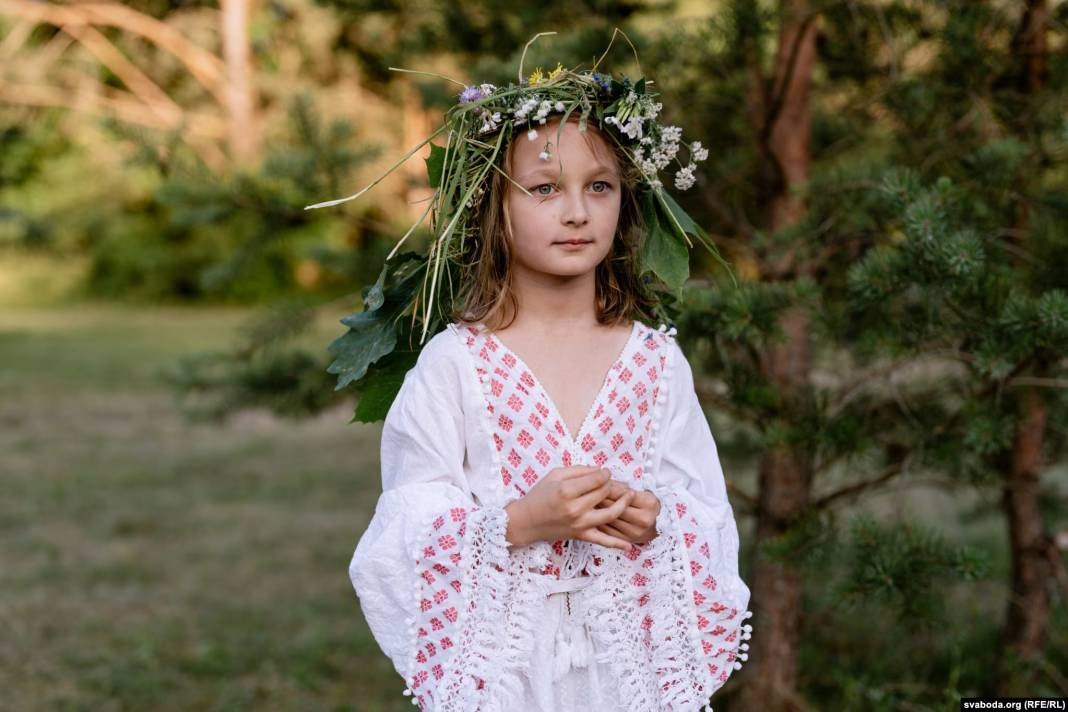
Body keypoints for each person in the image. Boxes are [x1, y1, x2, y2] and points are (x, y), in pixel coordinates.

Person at [337, 64, 752, 712]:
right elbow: (403, 532)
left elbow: (703, 505)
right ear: (491, 206)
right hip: (509, 674)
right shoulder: (457, 365)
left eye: (600, 186)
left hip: (624, 675)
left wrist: (658, 519)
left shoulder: (654, 362)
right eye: (544, 188)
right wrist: (519, 523)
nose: (578, 212)